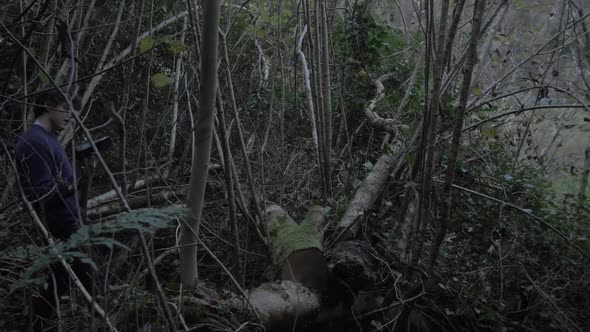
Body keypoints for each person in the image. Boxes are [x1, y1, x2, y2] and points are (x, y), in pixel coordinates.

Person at [15, 89, 92, 330]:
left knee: (59, 285)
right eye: (67, 108)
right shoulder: (33, 141)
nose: (71, 116)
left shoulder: (48, 138)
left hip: (68, 223)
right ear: (49, 105)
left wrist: (84, 175)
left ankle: (39, 324)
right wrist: (73, 183)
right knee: (84, 284)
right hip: (58, 227)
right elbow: (41, 193)